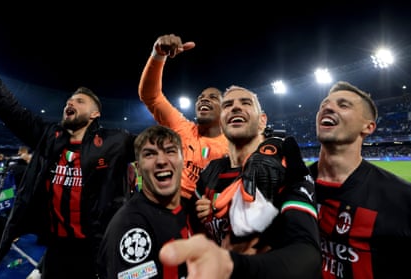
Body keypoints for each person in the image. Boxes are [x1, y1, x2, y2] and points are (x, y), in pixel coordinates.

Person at [0, 6, 136, 279]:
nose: (70, 102)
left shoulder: (115, 141)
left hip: (98, 250)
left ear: (95, 114)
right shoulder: (48, 135)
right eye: (69, 99)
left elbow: (156, 145)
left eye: (80, 101)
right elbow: (5, 104)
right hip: (55, 249)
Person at [166, 85, 322, 278]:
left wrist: (233, 265)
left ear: (262, 121)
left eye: (245, 103)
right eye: (228, 105)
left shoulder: (287, 167)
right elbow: (193, 230)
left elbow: (309, 255)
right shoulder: (210, 172)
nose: (235, 107)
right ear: (222, 124)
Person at [308, 81, 411, 278]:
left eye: (343, 105)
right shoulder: (291, 184)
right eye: (323, 105)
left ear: (368, 127)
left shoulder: (402, 199)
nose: (328, 107)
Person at [138, 34, 229, 200]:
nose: (204, 99)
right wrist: (158, 55)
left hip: (203, 218)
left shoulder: (232, 147)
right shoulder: (182, 127)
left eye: (213, 97)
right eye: (201, 97)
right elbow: (150, 96)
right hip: (164, 207)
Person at [99, 125, 192, 279]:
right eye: (150, 154)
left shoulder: (190, 210)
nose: (161, 161)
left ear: (183, 161)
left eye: (170, 151)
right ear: (138, 169)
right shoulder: (131, 226)